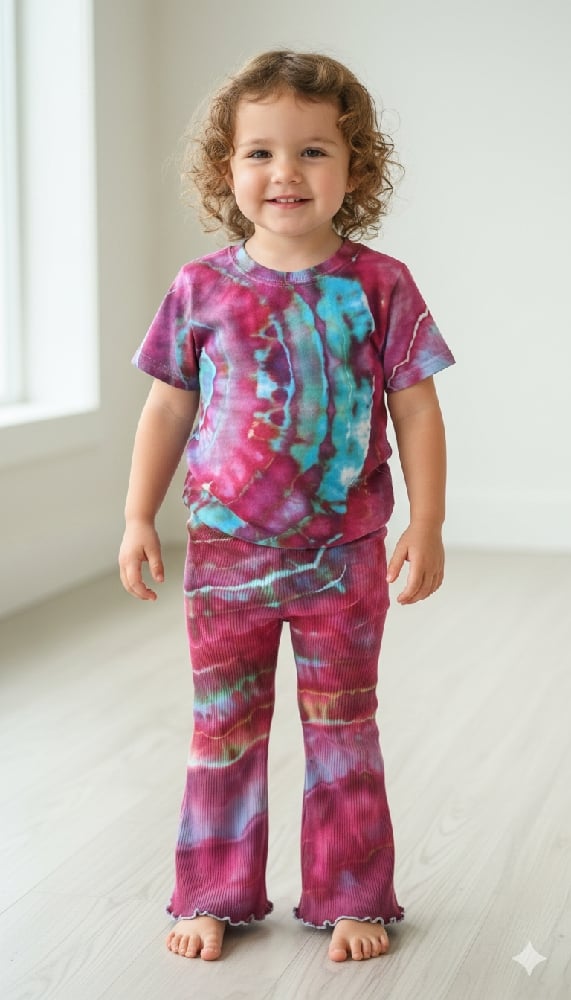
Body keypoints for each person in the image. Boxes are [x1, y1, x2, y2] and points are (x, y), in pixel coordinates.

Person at [119, 49, 454, 965]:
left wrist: (425, 522)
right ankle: (213, 892)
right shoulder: (200, 287)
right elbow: (167, 408)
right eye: (260, 152)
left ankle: (353, 896)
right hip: (224, 558)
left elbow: (417, 409)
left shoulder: (381, 284)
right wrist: (139, 515)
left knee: (344, 725)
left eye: (313, 151)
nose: (285, 172)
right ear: (226, 169)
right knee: (222, 727)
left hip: (344, 555)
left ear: (354, 168)